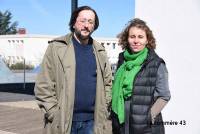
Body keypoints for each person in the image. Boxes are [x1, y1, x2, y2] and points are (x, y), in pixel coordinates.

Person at [34, 6, 112, 134]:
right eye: (83, 20)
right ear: (74, 23)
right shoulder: (56, 48)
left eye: (91, 22)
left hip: (92, 123)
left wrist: (104, 108)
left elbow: (108, 84)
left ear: (94, 26)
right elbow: (43, 85)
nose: (86, 25)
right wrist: (54, 114)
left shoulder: (100, 52)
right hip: (63, 122)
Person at [111, 18, 171, 134]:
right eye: (132, 36)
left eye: (140, 37)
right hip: (121, 120)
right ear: (127, 39)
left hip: (145, 125)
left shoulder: (156, 63)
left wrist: (149, 116)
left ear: (147, 40)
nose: (136, 41)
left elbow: (164, 95)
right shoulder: (122, 60)